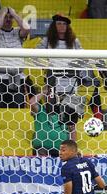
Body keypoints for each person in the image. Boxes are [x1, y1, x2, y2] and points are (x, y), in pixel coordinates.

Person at [37, 13, 84, 141]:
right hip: (53, 80)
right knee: (52, 113)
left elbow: (83, 58)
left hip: (70, 81)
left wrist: (75, 67)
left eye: (64, 24)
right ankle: (53, 141)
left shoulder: (74, 41)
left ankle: (72, 145)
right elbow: (35, 55)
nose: (62, 26)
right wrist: (44, 66)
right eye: (59, 23)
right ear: (54, 25)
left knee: (71, 118)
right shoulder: (46, 40)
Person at [0, 7, 30, 108]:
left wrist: (14, 14)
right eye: (5, 17)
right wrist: (2, 11)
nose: (8, 19)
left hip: (17, 77)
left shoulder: (17, 32)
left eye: (10, 18)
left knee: (17, 107)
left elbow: (27, 29)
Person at [28, 84, 69, 157]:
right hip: (42, 148)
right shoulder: (40, 110)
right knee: (43, 163)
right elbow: (32, 102)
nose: (51, 97)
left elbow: (72, 130)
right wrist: (44, 91)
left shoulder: (65, 112)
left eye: (53, 94)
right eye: (49, 95)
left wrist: (73, 148)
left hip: (61, 149)